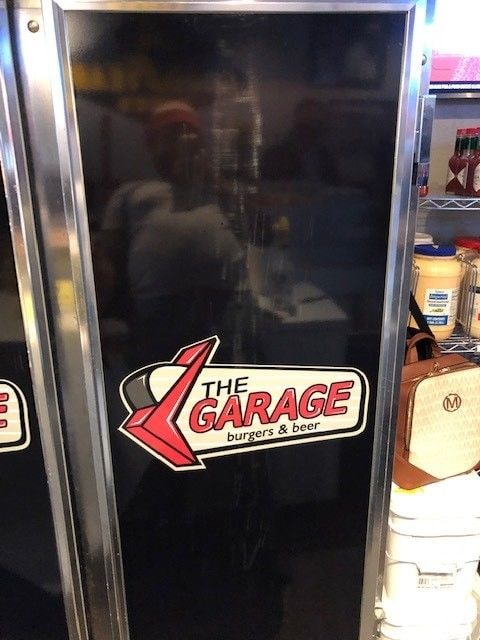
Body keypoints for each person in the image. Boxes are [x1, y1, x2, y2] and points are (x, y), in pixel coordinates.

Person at [98, 100, 243, 367]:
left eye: (189, 134)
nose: (182, 141)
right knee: (158, 382)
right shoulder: (132, 192)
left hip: (223, 303)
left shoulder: (215, 186)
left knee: (220, 381)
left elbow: (259, 230)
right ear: (152, 144)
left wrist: (211, 179)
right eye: (172, 134)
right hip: (160, 309)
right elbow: (105, 258)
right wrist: (96, 317)